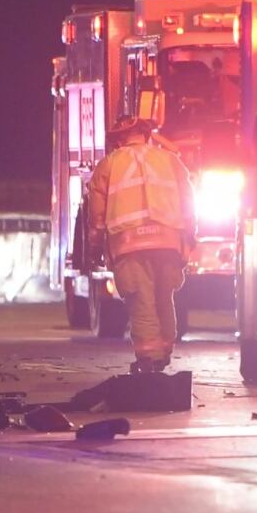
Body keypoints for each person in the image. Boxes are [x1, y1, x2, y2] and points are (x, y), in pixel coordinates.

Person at [86, 114, 196, 373]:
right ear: (146, 134)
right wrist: (189, 235)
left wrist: (94, 245)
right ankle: (164, 350)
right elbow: (188, 201)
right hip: (169, 243)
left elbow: (97, 213)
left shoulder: (109, 164)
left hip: (129, 244)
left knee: (141, 299)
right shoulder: (171, 160)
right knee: (163, 297)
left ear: (120, 139)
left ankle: (149, 358)